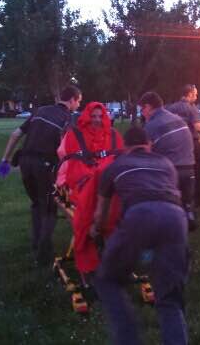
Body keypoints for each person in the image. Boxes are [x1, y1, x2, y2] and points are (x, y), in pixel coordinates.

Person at [92, 126, 189, 345]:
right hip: (176, 218)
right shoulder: (166, 164)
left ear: (125, 147)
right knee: (170, 299)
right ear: (149, 145)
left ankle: (128, 338)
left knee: (107, 279)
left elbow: (100, 215)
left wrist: (96, 229)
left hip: (139, 216)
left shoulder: (115, 166)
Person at [0, 85, 82, 266]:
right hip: (44, 165)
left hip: (25, 163)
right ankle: (43, 255)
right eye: (79, 101)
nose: (78, 105)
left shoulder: (40, 111)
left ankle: (36, 245)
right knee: (49, 208)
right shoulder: (68, 119)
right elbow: (65, 150)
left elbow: (15, 134)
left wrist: (5, 160)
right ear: (72, 100)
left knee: (36, 203)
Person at [55, 102, 124, 280]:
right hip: (84, 179)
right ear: (86, 117)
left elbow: (121, 158)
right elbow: (67, 161)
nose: (97, 120)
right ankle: (92, 255)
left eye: (100, 116)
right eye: (93, 116)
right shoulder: (74, 135)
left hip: (108, 178)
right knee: (90, 199)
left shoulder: (113, 135)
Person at [138, 91, 197, 230]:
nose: (142, 113)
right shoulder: (178, 119)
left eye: (142, 109)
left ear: (148, 107)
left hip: (171, 172)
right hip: (190, 168)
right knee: (185, 201)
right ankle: (188, 213)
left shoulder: (151, 125)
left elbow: (145, 153)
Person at [166, 84, 200, 207]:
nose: (197, 97)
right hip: (192, 144)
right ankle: (199, 199)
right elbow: (198, 127)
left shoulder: (171, 108)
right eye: (195, 94)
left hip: (175, 144)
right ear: (190, 94)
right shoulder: (191, 108)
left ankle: (178, 197)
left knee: (179, 170)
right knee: (198, 169)